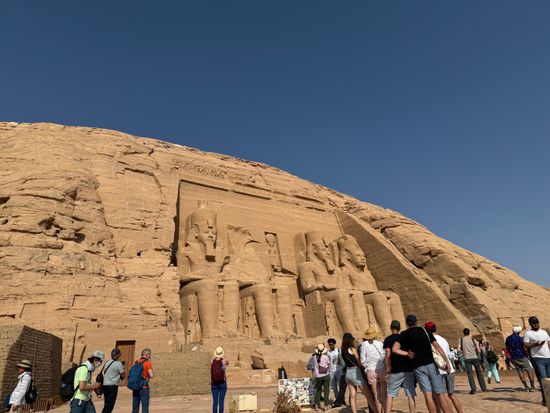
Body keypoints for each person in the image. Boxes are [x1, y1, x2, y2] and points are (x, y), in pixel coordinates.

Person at [392, 314, 451, 413]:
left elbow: (394, 349)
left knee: (427, 394)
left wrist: (407, 353)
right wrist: (447, 361)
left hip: (418, 367)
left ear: (407, 323)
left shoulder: (404, 334)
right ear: (416, 322)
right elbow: (437, 347)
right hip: (431, 365)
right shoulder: (425, 330)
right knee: (440, 393)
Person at [425, 321, 463, 413]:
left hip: (439, 371)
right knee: (451, 394)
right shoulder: (443, 339)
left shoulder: (429, 341)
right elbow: (448, 354)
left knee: (444, 395)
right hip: (450, 369)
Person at [341, 332, 380, 413]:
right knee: (368, 395)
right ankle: (376, 411)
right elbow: (359, 362)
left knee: (352, 396)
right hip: (355, 372)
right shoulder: (352, 349)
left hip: (348, 373)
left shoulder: (342, 351)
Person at [383, 320, 416, 413]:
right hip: (408, 369)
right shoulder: (404, 337)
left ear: (391, 328)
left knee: (390, 394)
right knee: (410, 395)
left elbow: (388, 355)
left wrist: (387, 369)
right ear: (399, 328)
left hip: (395, 370)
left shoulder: (388, 339)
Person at [523, 316, 550, 407]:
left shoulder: (544, 332)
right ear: (530, 324)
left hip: (548, 357)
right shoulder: (528, 333)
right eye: (534, 323)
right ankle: (545, 400)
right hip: (537, 358)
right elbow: (525, 345)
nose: (536, 325)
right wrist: (535, 344)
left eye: (537, 323)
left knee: (549, 379)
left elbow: (549, 343)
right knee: (543, 379)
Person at [360, 327, 386, 413]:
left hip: (371, 371)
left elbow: (362, 360)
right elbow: (383, 356)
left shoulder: (364, 344)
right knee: (384, 394)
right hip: (381, 369)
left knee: (376, 395)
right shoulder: (380, 343)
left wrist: (367, 368)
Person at [505, 325, 536, 391]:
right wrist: (528, 355)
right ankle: (532, 387)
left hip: (513, 357)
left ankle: (526, 387)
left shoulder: (508, 338)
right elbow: (524, 348)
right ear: (518, 332)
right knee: (529, 370)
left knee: (520, 371)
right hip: (521, 356)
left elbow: (507, 347)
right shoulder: (520, 339)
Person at [458, 328, 486, 394]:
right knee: (479, 373)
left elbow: (458, 349)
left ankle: (473, 389)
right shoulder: (473, 339)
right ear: (469, 332)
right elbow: (478, 350)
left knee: (470, 374)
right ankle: (483, 388)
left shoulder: (461, 340)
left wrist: (463, 351)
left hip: (467, 358)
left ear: (463, 333)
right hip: (474, 357)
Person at [100, 349, 126, 413]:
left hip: (105, 385)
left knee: (106, 404)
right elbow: (123, 376)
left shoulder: (107, 362)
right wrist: (123, 367)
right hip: (112, 387)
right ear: (117, 355)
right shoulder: (118, 364)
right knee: (110, 406)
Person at [132, 348, 153, 413]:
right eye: (149, 355)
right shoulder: (147, 363)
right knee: (145, 408)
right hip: (144, 388)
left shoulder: (136, 362)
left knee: (135, 408)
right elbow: (151, 375)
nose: (149, 357)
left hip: (135, 387)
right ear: (146, 355)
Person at [311, 344, 331, 411]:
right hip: (325, 375)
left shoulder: (314, 357)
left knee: (318, 391)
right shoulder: (325, 357)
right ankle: (326, 407)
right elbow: (328, 365)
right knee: (326, 391)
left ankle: (316, 406)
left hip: (317, 376)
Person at [211, 346, 229, 413]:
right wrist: (223, 357)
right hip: (222, 383)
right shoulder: (224, 361)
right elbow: (228, 362)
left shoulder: (212, 362)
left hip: (214, 384)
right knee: (221, 402)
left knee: (215, 402)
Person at [327, 338, 343, 404]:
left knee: (341, 386)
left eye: (331, 344)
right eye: (329, 345)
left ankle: (342, 399)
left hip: (339, 370)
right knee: (334, 387)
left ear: (334, 344)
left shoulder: (338, 351)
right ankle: (337, 399)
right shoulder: (328, 352)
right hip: (331, 372)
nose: (330, 346)